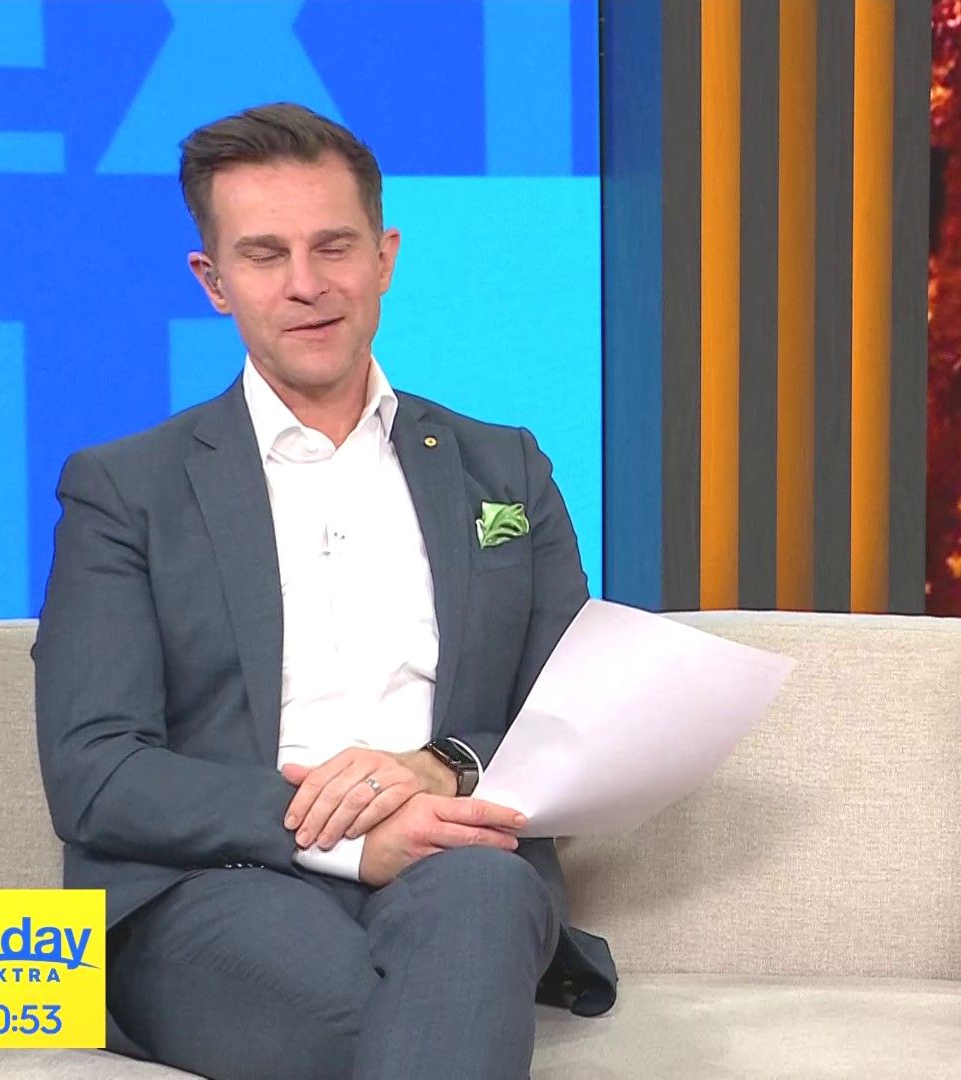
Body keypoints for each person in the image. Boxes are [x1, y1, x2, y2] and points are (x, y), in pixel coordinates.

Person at [32, 102, 614, 1080]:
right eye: (265, 256)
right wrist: (351, 840)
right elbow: (95, 772)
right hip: (212, 885)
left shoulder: (504, 468)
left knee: (480, 903)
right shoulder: (126, 489)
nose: (307, 284)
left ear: (384, 257)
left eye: (333, 247)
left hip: (457, 865)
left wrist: (442, 768)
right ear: (214, 282)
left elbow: (577, 714)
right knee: (407, 1020)